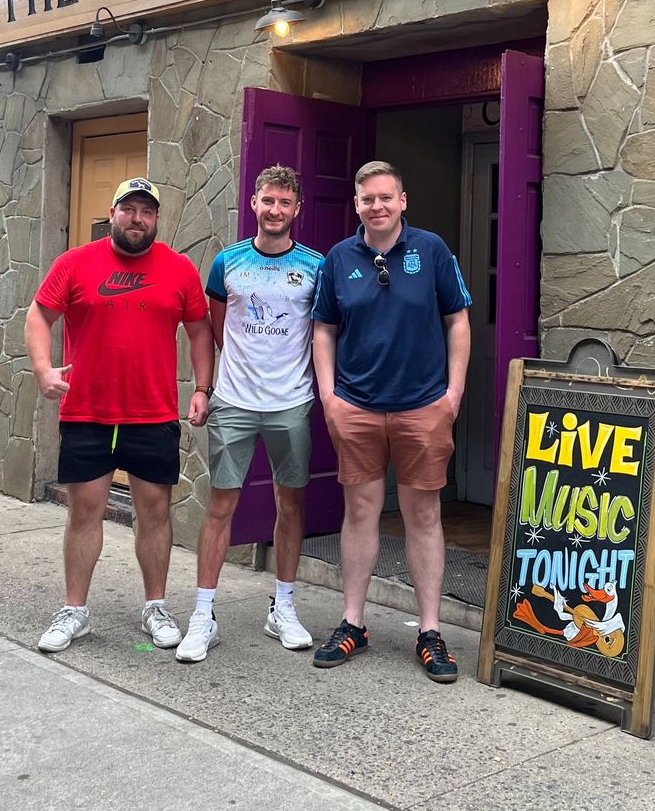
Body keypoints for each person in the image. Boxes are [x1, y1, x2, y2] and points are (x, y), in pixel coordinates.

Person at [26, 177, 214, 654]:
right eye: (128, 209)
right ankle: (74, 611)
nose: (137, 218)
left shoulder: (179, 270)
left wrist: (202, 389)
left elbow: (199, 331)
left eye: (146, 211)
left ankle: (155, 606)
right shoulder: (75, 263)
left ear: (156, 219)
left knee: (154, 513)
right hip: (88, 411)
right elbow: (38, 316)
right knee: (84, 511)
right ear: (112, 214)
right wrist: (43, 369)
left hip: (152, 414)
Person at [310, 161, 471, 683]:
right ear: (355, 205)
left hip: (422, 405)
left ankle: (430, 631)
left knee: (423, 515)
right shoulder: (338, 259)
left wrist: (453, 394)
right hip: (356, 405)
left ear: (403, 200)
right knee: (360, 512)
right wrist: (330, 397)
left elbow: (457, 320)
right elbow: (323, 330)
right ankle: (353, 622)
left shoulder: (432, 251)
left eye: (385, 197)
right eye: (366, 199)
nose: (376, 206)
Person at [177, 165, 323, 663]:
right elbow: (218, 330)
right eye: (267, 201)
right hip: (236, 403)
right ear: (254, 203)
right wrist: (211, 387)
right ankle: (203, 614)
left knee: (291, 505)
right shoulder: (227, 262)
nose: (275, 210)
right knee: (221, 506)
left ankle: (282, 606)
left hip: (292, 403)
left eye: (284, 202)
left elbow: (322, 332)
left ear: (296, 209)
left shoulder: (316, 267)